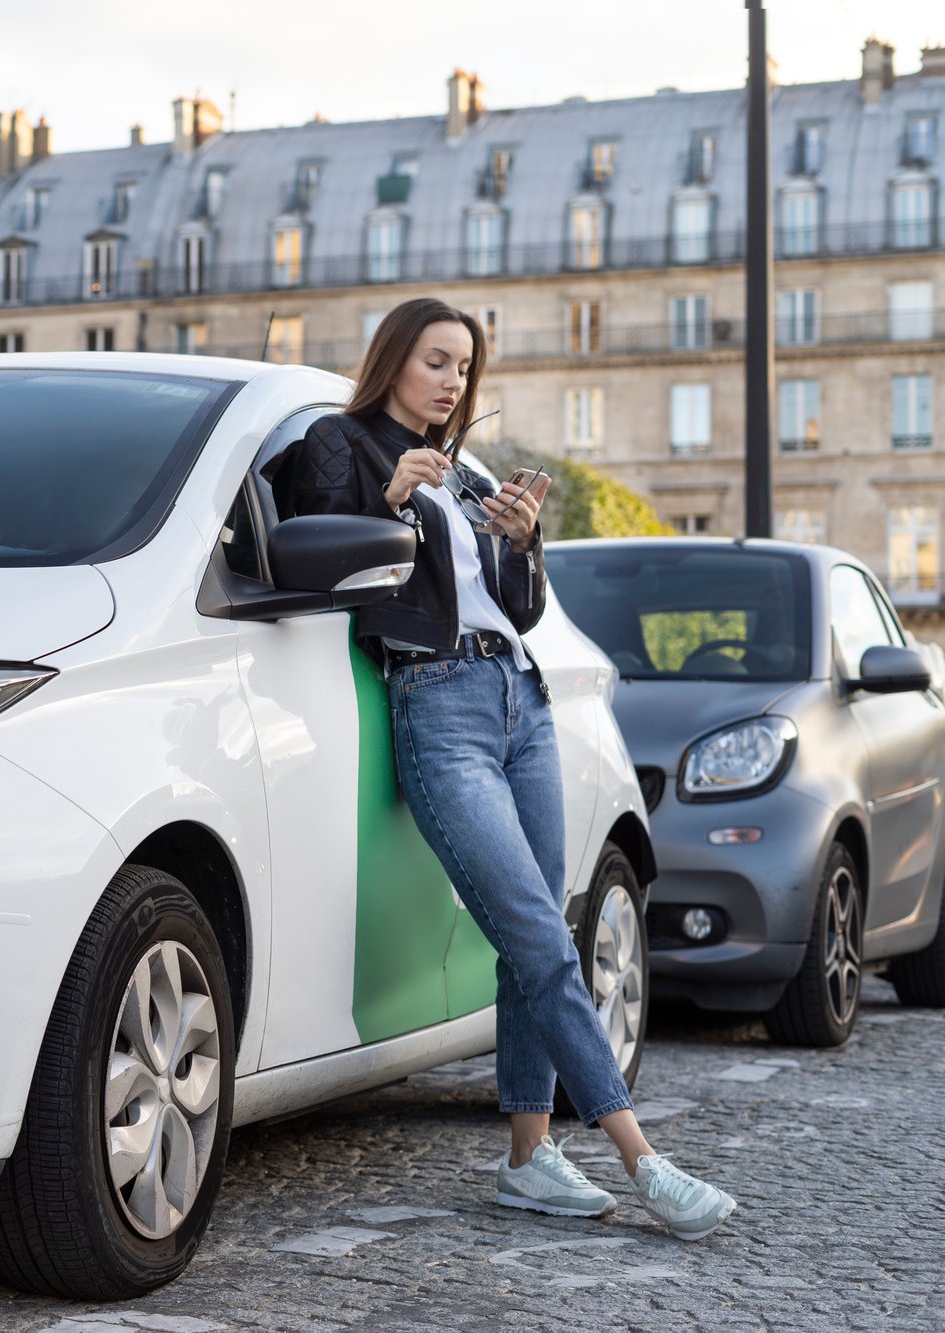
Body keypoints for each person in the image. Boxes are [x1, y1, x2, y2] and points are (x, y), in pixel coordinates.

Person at [272, 296, 736, 1241]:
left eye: (462, 368)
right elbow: (313, 550)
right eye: (436, 361)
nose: (451, 382)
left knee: (540, 936)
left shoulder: (463, 474)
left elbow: (514, 611)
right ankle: (643, 1159)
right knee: (536, 937)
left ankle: (529, 1157)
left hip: (521, 703)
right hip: (436, 707)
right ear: (395, 359)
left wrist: (520, 540)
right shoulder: (343, 443)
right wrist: (389, 498)